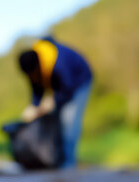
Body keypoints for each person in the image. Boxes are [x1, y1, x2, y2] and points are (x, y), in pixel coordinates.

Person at [18, 36, 93, 168]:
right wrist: (34, 107)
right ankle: (57, 160)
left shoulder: (59, 64)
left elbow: (67, 89)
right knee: (55, 120)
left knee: (69, 121)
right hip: (62, 86)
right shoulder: (32, 65)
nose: (31, 78)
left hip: (79, 83)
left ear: (37, 67)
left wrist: (52, 102)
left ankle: (69, 164)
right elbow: (37, 88)